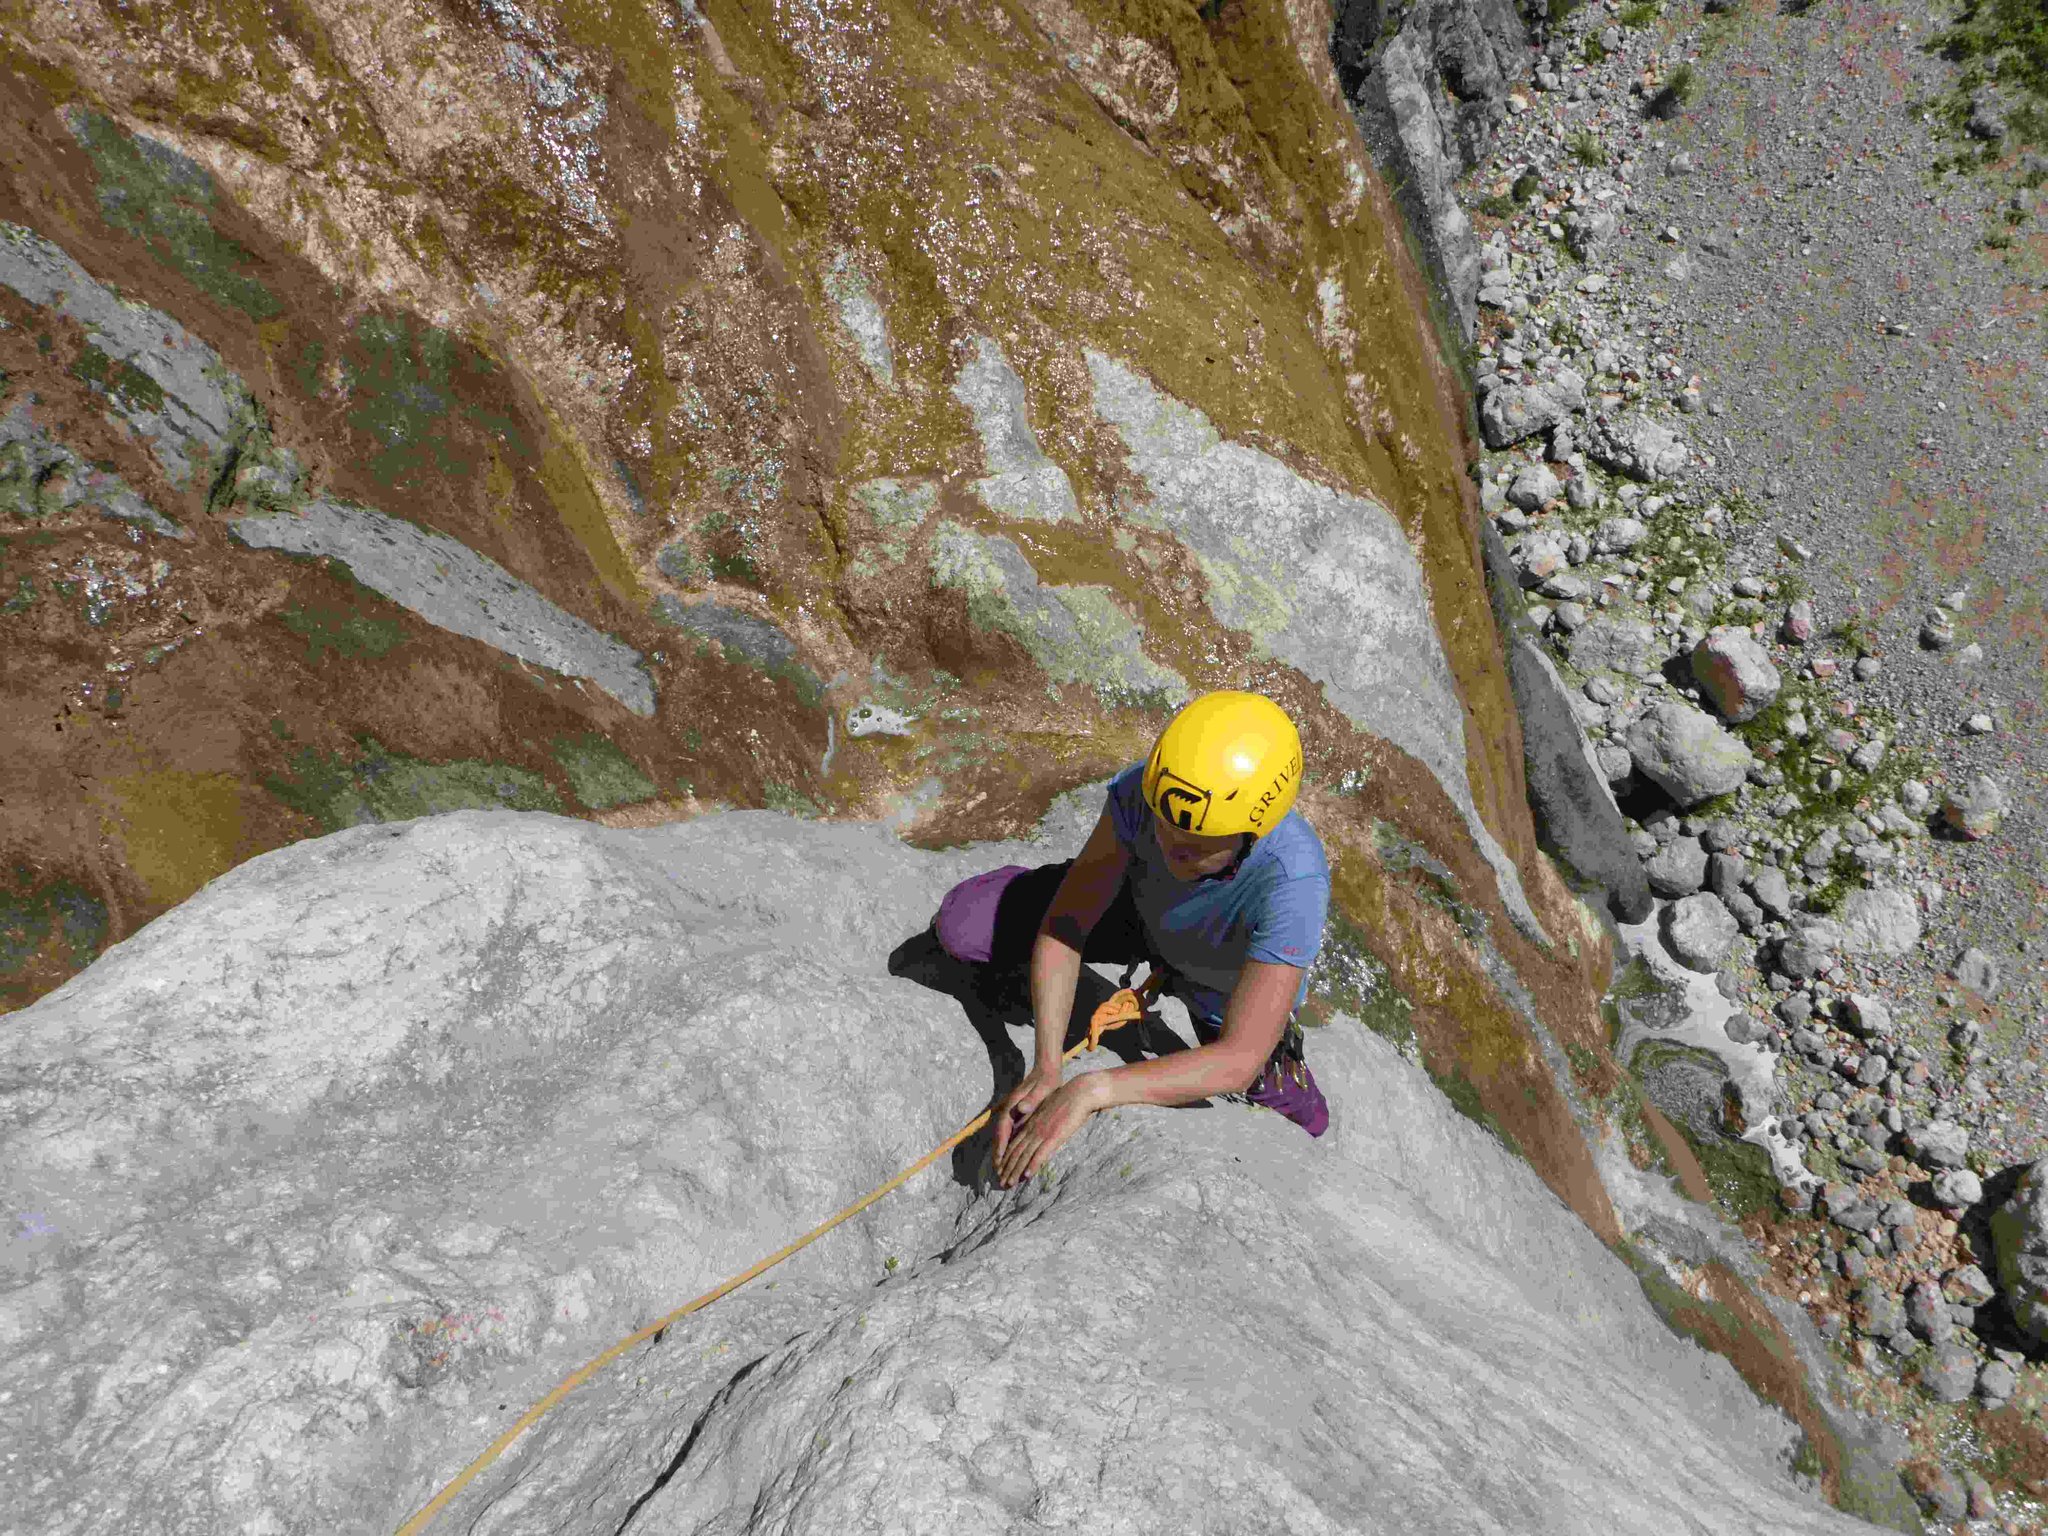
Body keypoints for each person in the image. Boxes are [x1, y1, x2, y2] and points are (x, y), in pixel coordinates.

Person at [929, 691, 1332, 1189]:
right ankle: (1026, 889)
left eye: (1196, 846)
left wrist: (1093, 1089)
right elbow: (1067, 924)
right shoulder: (1148, 792)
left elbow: (1238, 1061)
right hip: (1137, 911)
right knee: (962, 924)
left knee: (1306, 1124)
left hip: (1220, 981)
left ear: (1253, 834)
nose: (1170, 846)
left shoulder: (1293, 881)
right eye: (1163, 826)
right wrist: (1046, 1066)